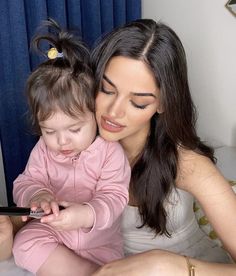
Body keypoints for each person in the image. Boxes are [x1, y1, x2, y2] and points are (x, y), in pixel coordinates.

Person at [88, 19, 236, 275]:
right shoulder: (73, 146)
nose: (113, 112)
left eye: (138, 103)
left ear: (162, 104)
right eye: (106, 89)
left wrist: (168, 266)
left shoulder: (187, 164)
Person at [11, 19, 130, 276]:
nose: (62, 141)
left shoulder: (109, 152)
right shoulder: (43, 149)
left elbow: (115, 197)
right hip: (53, 234)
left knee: (113, 266)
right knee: (23, 244)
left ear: (94, 114)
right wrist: (37, 195)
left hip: (99, 243)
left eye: (74, 129)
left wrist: (85, 215)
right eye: (50, 131)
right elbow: (26, 180)